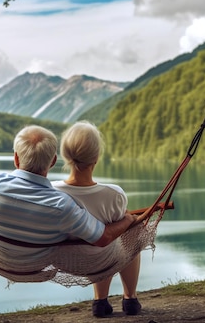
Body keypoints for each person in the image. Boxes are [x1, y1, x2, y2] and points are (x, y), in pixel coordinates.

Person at [0, 125, 137, 282]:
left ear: (16, 159)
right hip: (35, 264)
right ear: (53, 161)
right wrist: (129, 219)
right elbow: (103, 237)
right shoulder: (63, 205)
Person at [52, 121, 142, 317]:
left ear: (65, 155)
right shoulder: (114, 194)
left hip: (64, 260)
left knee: (109, 239)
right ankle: (130, 298)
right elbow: (119, 233)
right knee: (131, 234)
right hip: (101, 258)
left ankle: (100, 302)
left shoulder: (50, 191)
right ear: (96, 157)